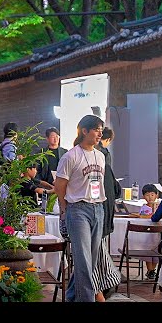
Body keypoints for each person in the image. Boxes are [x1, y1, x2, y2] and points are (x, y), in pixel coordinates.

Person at [54, 114, 106, 302]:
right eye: (96, 129)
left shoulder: (100, 156)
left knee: (90, 261)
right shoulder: (71, 156)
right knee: (83, 260)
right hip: (77, 209)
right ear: (84, 131)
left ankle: (71, 297)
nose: (100, 133)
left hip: (97, 208)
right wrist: (63, 208)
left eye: (101, 129)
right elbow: (59, 185)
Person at [91, 125, 122, 301]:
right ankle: (103, 287)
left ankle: (103, 289)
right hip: (104, 217)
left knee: (95, 257)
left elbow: (95, 194)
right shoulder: (106, 164)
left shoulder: (100, 162)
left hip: (98, 217)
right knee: (95, 255)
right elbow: (116, 191)